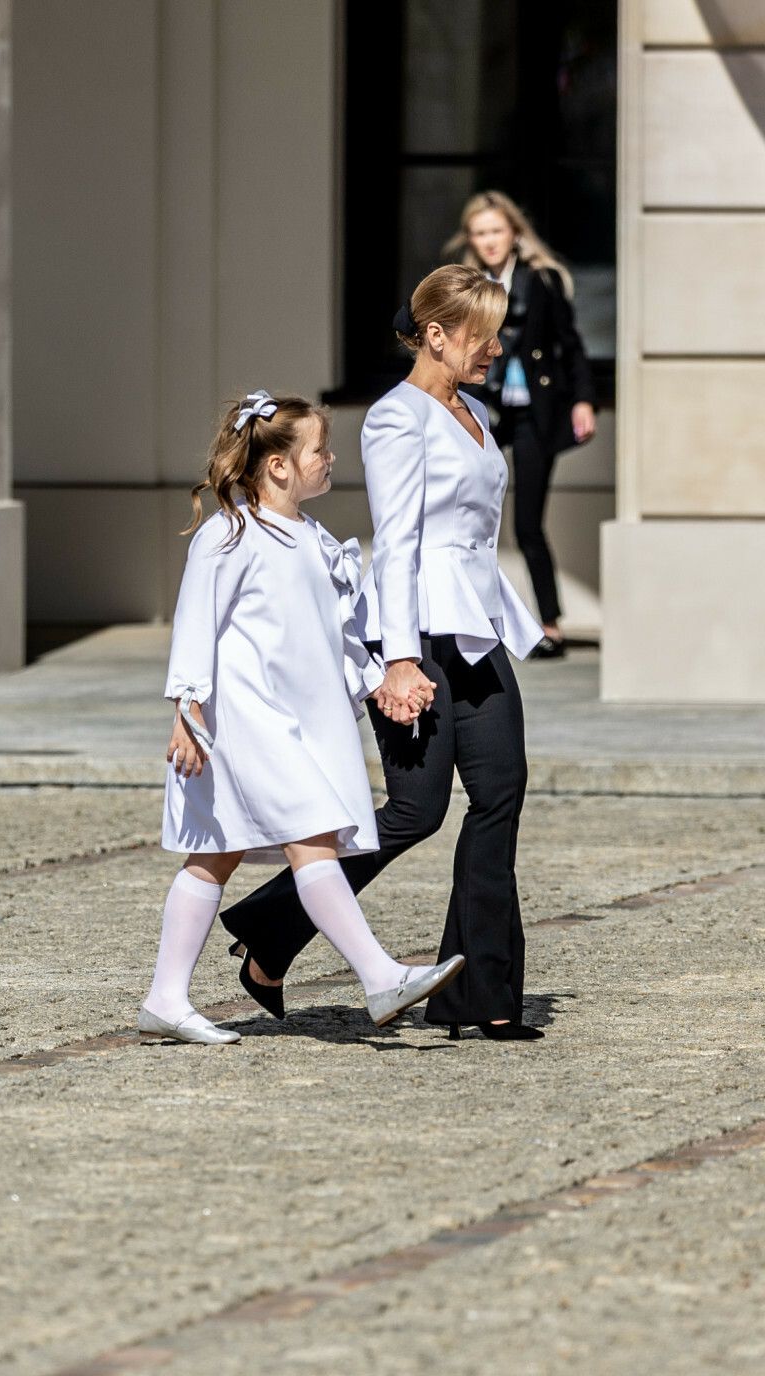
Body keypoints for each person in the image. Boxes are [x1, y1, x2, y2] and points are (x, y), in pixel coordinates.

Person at [219, 265, 546, 1041]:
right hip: (415, 632)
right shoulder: (397, 417)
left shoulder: (473, 410)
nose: (495, 349)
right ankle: (271, 928)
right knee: (414, 811)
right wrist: (399, 659)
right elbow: (397, 544)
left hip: (475, 628)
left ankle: (483, 995)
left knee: (501, 791)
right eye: (481, 335)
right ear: (435, 335)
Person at [138, 390, 464, 1045]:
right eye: (320, 449)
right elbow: (195, 624)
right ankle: (380, 977)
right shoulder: (229, 534)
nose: (331, 458)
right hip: (242, 721)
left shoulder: (313, 539)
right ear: (279, 465)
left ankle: (165, 999)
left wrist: (380, 684)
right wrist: (186, 710)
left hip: (295, 721)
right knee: (311, 836)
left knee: (215, 855)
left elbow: (334, 635)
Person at [448, 190, 598, 657]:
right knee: (470, 514)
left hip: (535, 412)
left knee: (528, 523)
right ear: (470, 239)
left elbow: (570, 344)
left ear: (514, 232)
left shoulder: (541, 280)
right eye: (480, 233)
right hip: (484, 408)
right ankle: (470, 620)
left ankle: (549, 625)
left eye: (496, 230)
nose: (490, 240)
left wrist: (583, 400)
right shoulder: (467, 285)